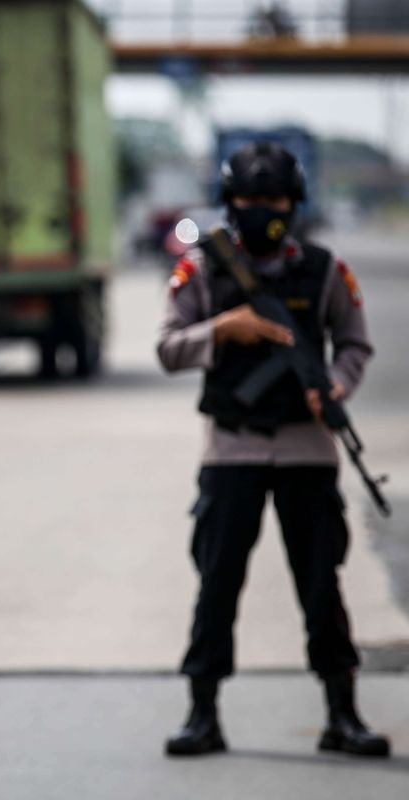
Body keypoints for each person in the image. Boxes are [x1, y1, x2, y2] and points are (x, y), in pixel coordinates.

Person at [157, 141, 389, 758]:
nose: (262, 210)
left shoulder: (324, 269)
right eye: (250, 200)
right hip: (230, 453)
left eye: (274, 200)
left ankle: (342, 713)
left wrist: (335, 384)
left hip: (309, 454)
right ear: (231, 203)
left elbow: (355, 344)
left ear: (295, 203)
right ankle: (202, 713)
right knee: (217, 586)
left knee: (322, 588)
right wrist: (222, 329)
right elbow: (167, 347)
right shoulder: (204, 270)